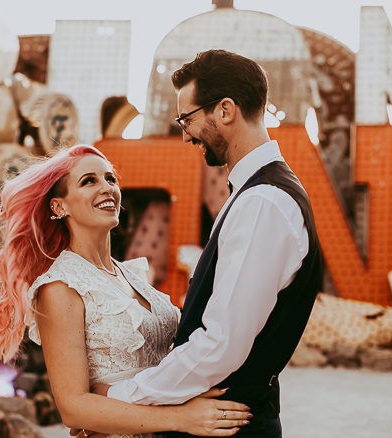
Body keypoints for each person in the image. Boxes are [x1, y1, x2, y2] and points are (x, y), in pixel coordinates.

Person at [97, 50, 324, 438]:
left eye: (187, 118)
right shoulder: (256, 194)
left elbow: (220, 345)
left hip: (230, 427)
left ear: (224, 110)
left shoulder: (262, 202)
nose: (185, 134)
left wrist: (120, 400)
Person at [0, 144, 252, 437]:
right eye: (89, 181)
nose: (107, 188)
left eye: (110, 179)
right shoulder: (61, 287)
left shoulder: (131, 274)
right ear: (59, 206)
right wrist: (181, 418)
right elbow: (73, 408)